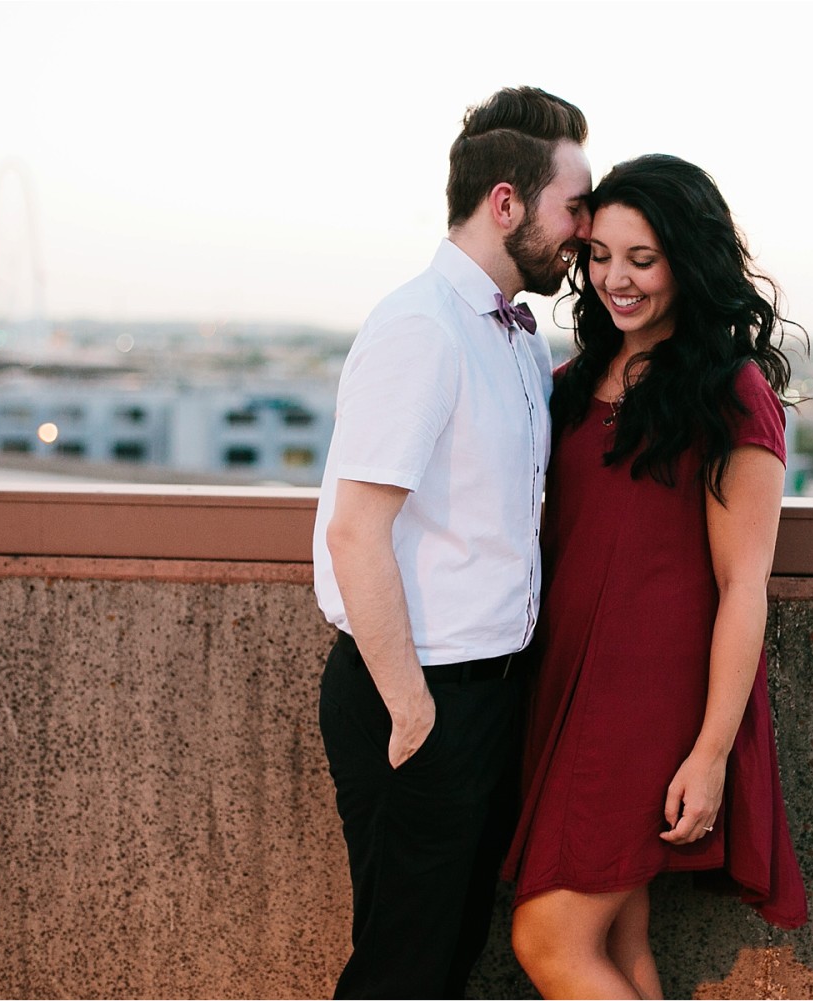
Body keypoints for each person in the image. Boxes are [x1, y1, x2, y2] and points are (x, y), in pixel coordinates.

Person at [503, 154, 809, 998]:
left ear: (689, 258)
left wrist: (710, 754)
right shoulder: (569, 384)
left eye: (643, 258)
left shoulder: (732, 394)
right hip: (567, 683)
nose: (616, 279)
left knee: (548, 938)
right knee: (624, 940)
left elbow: (745, 587)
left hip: (647, 705)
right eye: (601, 255)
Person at [312, 86, 591, 999]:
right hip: (418, 696)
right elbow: (356, 531)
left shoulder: (512, 337)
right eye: (573, 205)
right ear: (505, 203)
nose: (582, 231)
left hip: (486, 697)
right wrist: (412, 709)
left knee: (447, 952)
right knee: (403, 967)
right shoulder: (421, 327)